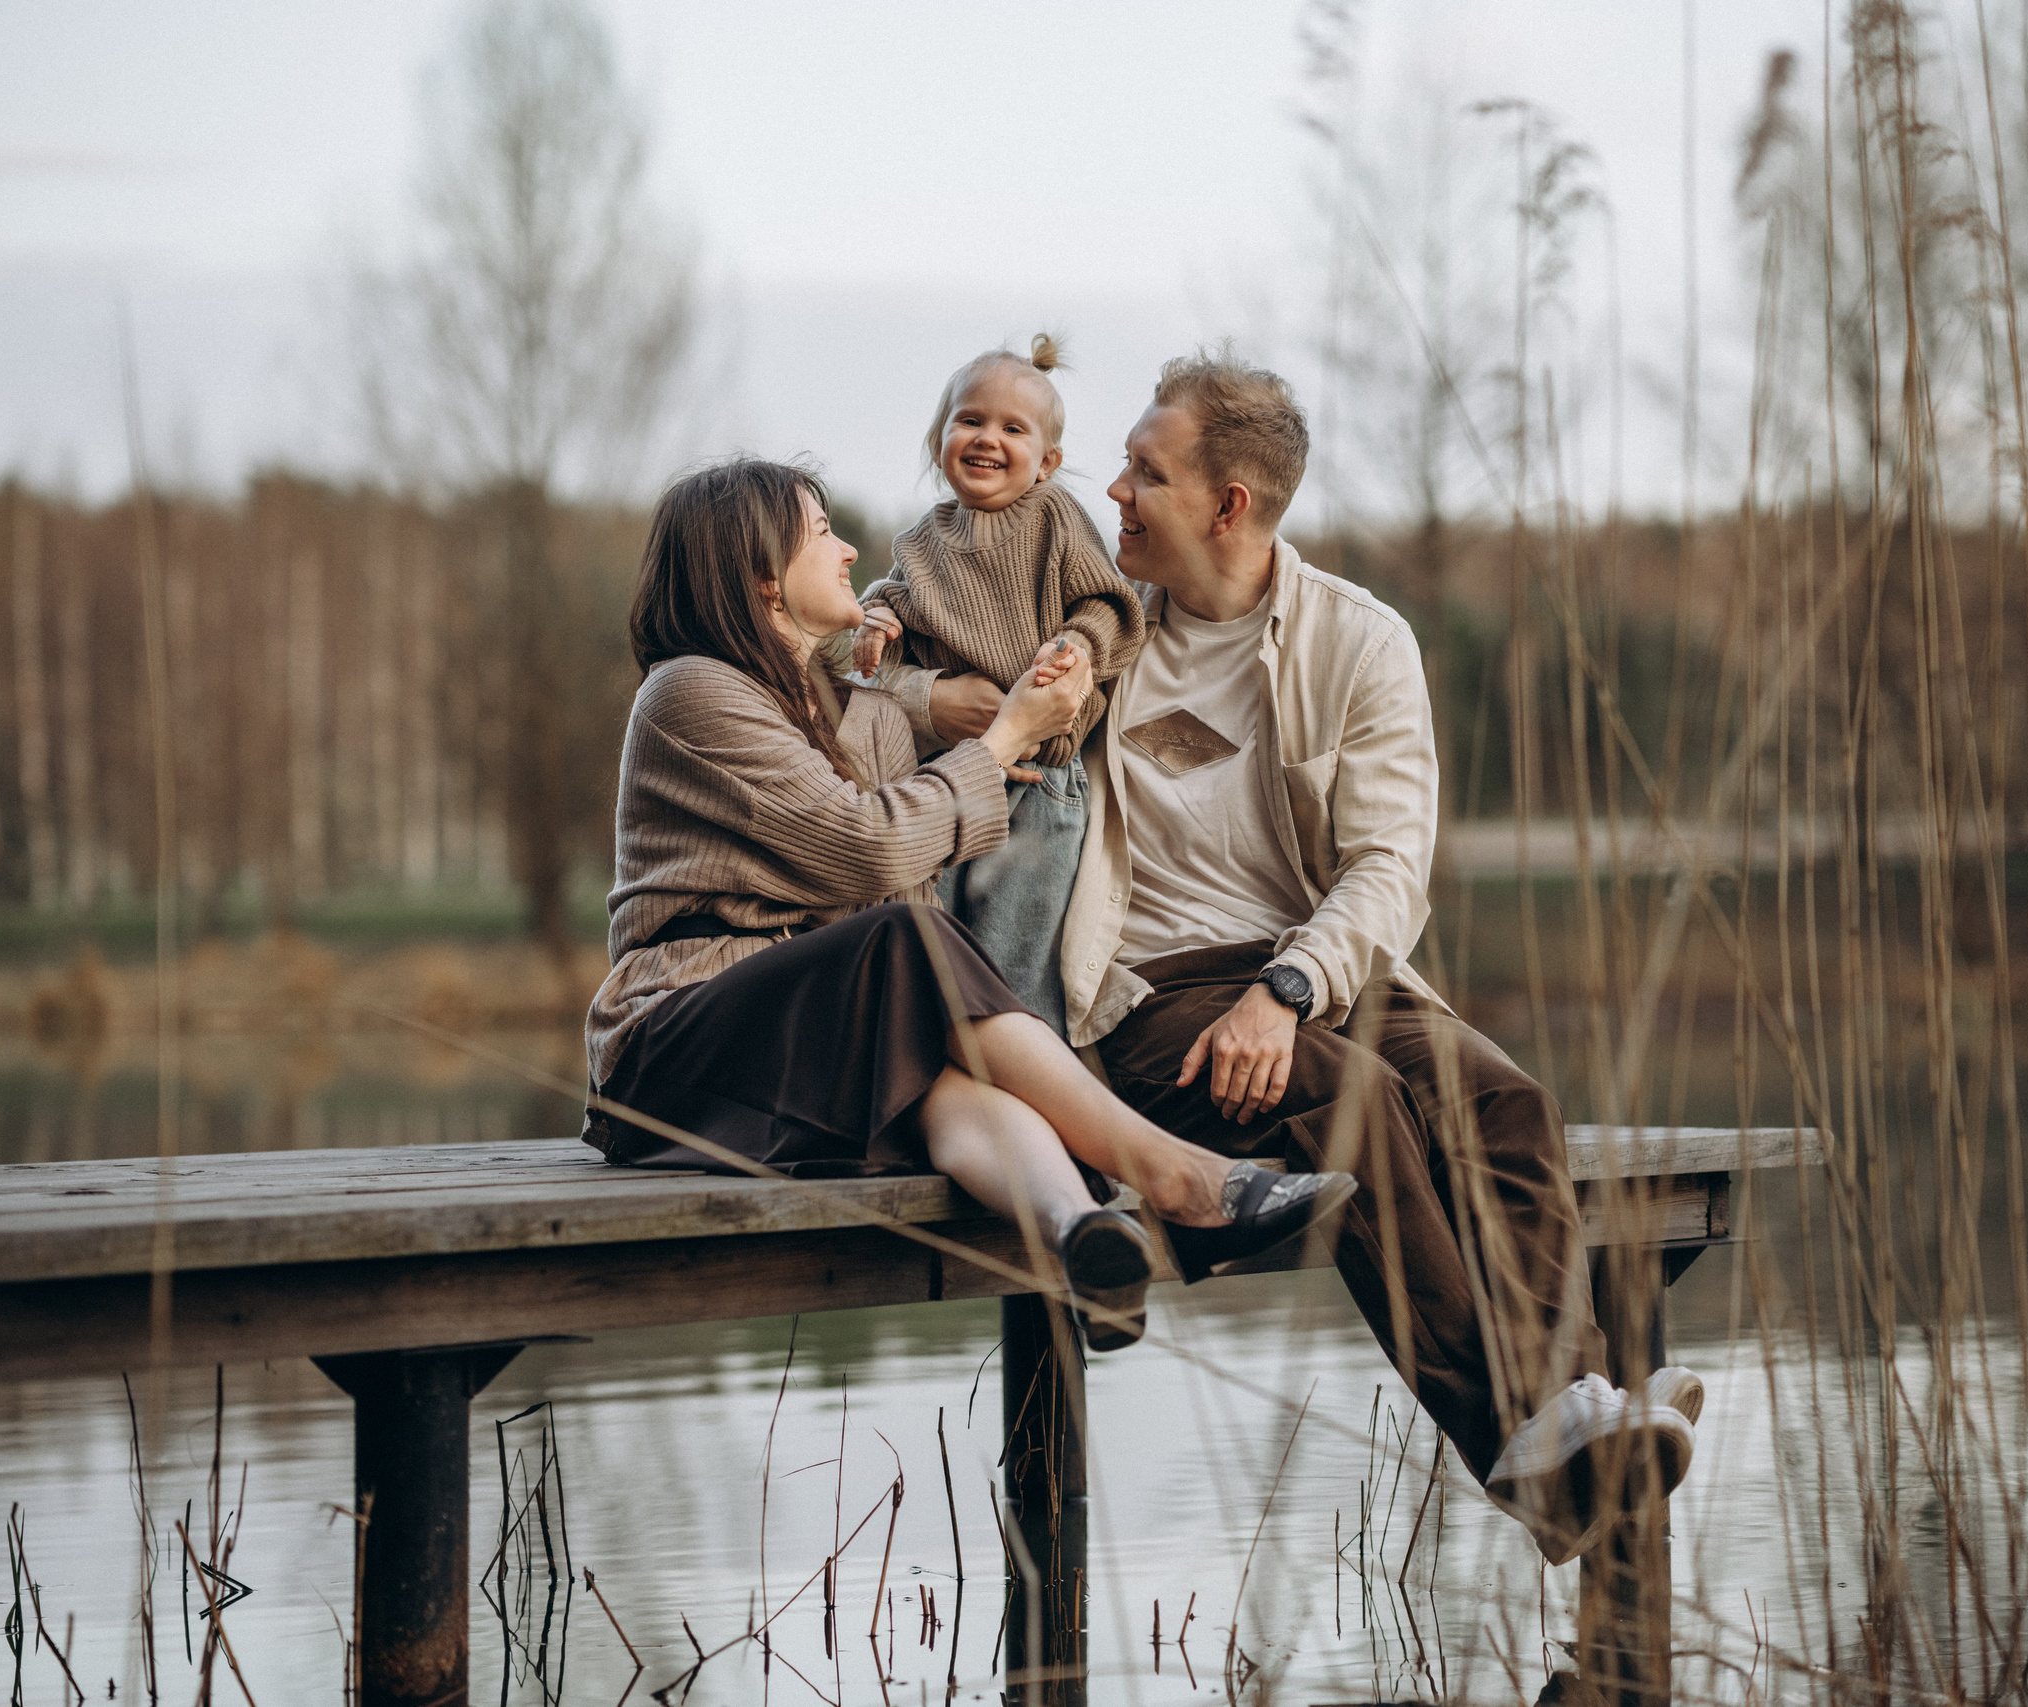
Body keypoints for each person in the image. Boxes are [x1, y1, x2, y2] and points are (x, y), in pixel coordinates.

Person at [1050, 351, 1702, 1561]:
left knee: (1501, 1098)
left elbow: (1389, 868)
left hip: (1314, 973)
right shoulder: (1092, 635)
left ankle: (1565, 1414)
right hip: (1141, 995)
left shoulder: (1358, 641)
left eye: (1145, 472)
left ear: (1227, 505)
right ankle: (1529, 1442)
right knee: (1344, 1103)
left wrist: (1287, 989)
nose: (1116, 492)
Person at [579, 457, 1353, 1350]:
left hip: (795, 1054)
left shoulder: (854, 711)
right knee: (908, 941)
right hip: (669, 1055)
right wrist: (1006, 736)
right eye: (821, 532)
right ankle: (1183, 1183)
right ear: (761, 575)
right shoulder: (693, 691)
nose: (849, 549)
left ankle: (1082, 1235)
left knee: (944, 1079)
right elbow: (864, 847)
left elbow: (898, 870)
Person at [849, 334, 1145, 1035]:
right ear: (939, 441)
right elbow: (893, 598)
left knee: (1014, 957)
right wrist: (878, 621)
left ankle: (1026, 1076)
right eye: (970, 421)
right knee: (934, 945)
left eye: (1013, 429)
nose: (988, 438)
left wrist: (1078, 644)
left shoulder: (1057, 521)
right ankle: (934, 1074)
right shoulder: (922, 541)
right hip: (947, 775)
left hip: (1042, 786)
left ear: (1047, 463)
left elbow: (1106, 602)